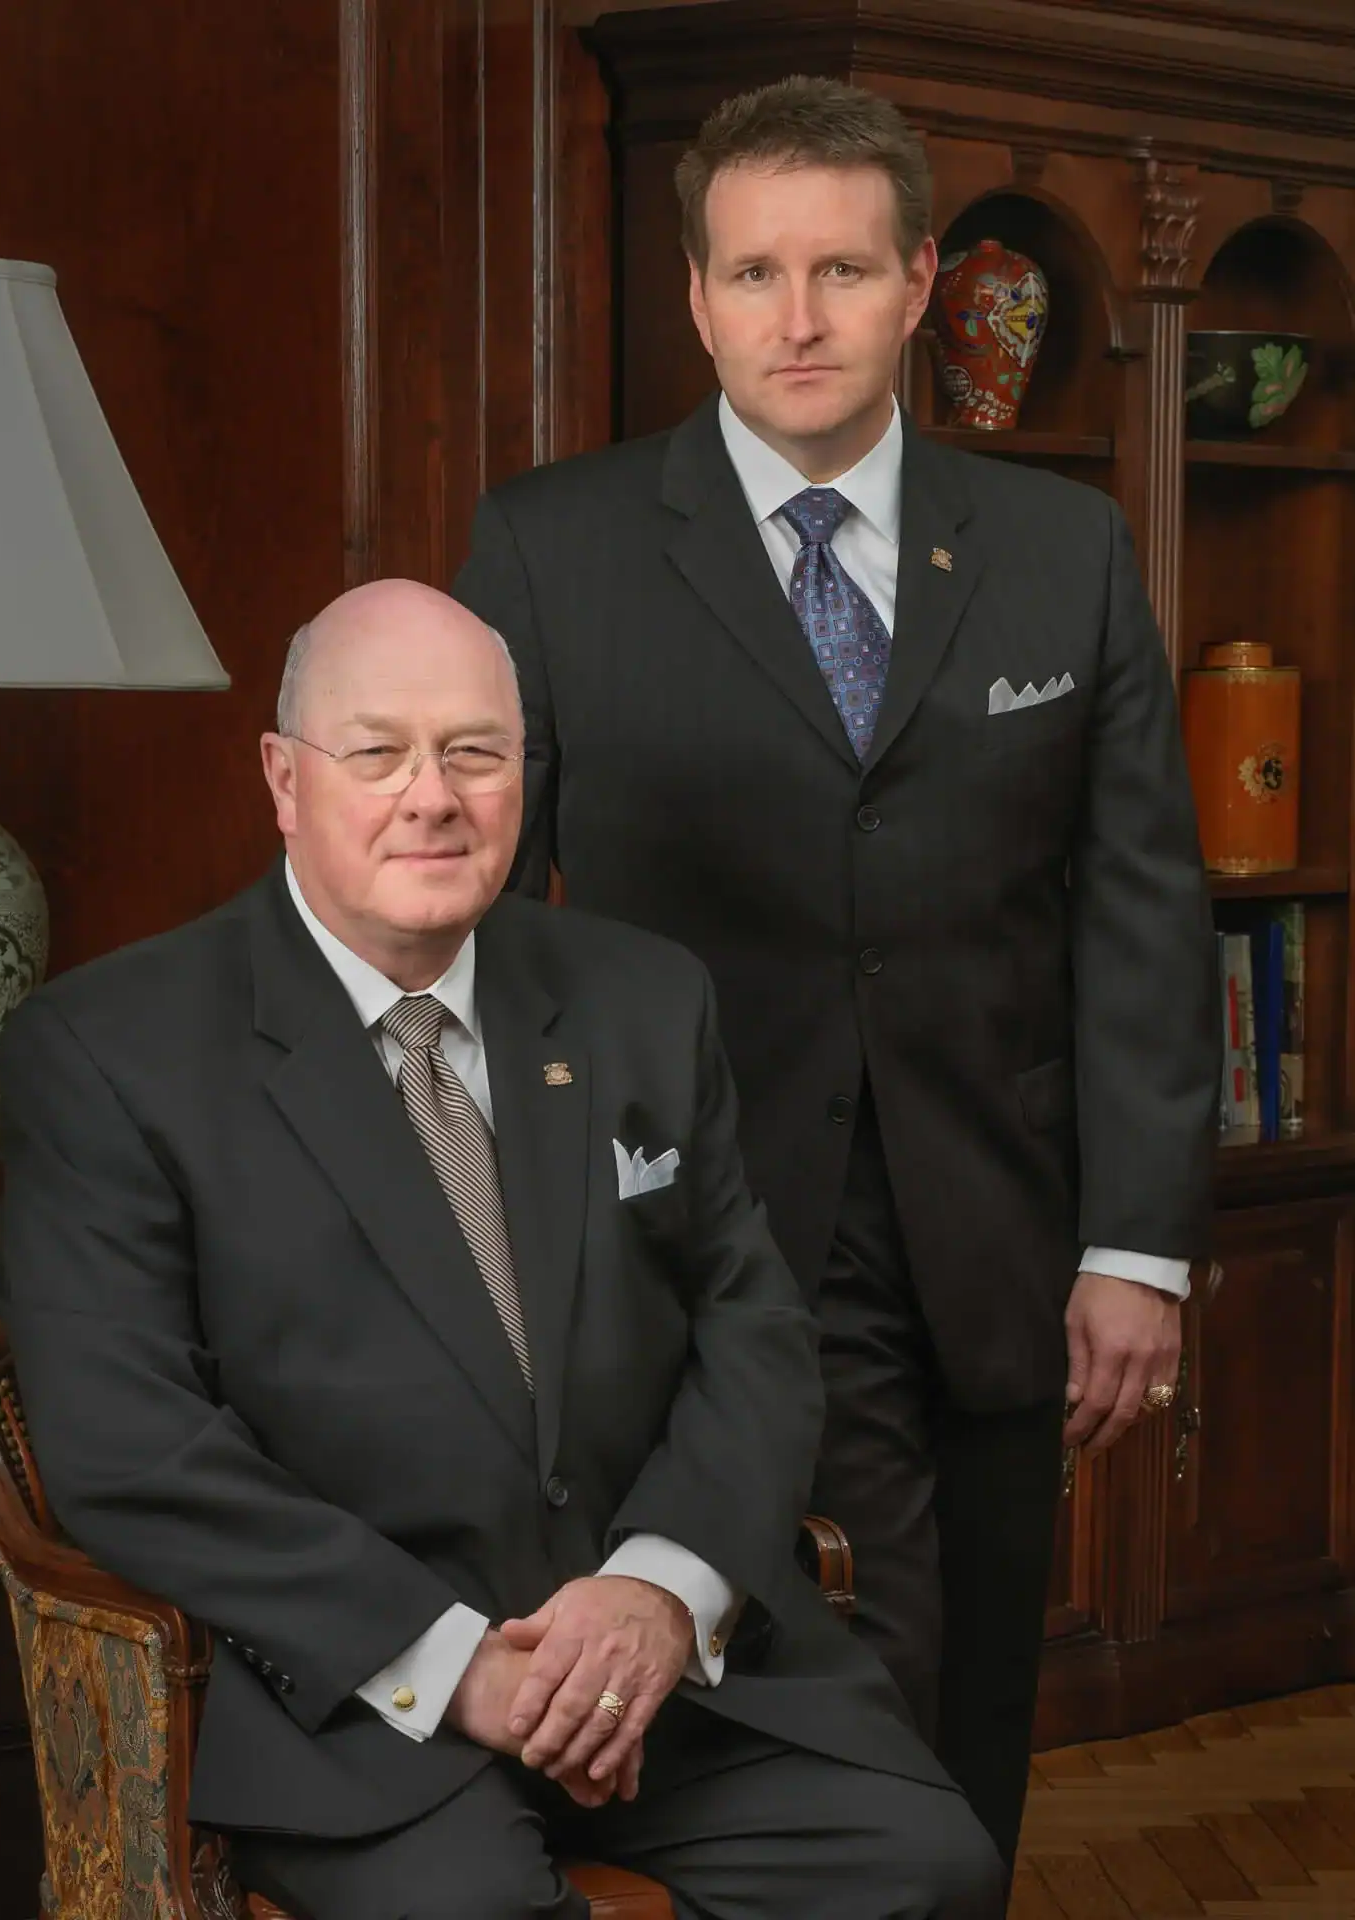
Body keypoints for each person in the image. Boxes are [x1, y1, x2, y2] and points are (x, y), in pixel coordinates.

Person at [454, 77, 1220, 1871]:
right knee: (797, 1707)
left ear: (920, 281)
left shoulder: (1061, 553)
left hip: (997, 1235)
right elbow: (468, 907)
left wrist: (1135, 1246)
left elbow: (1137, 906)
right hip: (677, 1231)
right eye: (750, 273)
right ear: (696, 292)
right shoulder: (549, 550)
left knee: (969, 1718)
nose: (794, 320)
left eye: (840, 271)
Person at [0, 579, 1000, 1920]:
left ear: (526, 775)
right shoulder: (110, 1049)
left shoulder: (643, 997)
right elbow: (129, 1445)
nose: (434, 796)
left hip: (659, 1671)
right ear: (283, 780)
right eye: (378, 752)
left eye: (476, 751)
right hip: (357, 1700)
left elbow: (749, 1325)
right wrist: (459, 1666)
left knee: (926, 1869)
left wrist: (659, 1591)